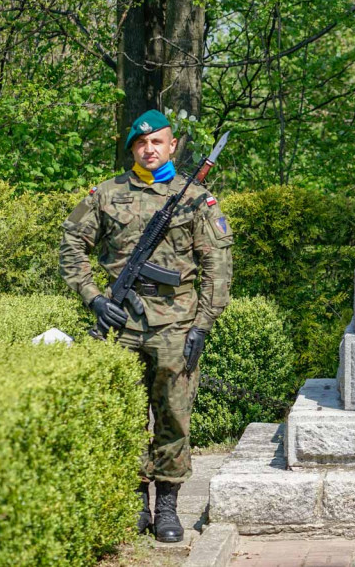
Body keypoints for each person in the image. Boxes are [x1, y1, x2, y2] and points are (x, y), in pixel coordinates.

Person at [59, 110, 233, 542]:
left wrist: (203, 324)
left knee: (174, 417)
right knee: (126, 415)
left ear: (172, 145)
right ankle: (137, 502)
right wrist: (95, 298)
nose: (149, 149)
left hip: (176, 326)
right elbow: (71, 247)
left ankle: (169, 507)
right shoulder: (105, 194)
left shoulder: (195, 197)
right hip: (121, 325)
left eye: (157, 141)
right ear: (131, 148)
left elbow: (217, 265)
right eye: (141, 143)